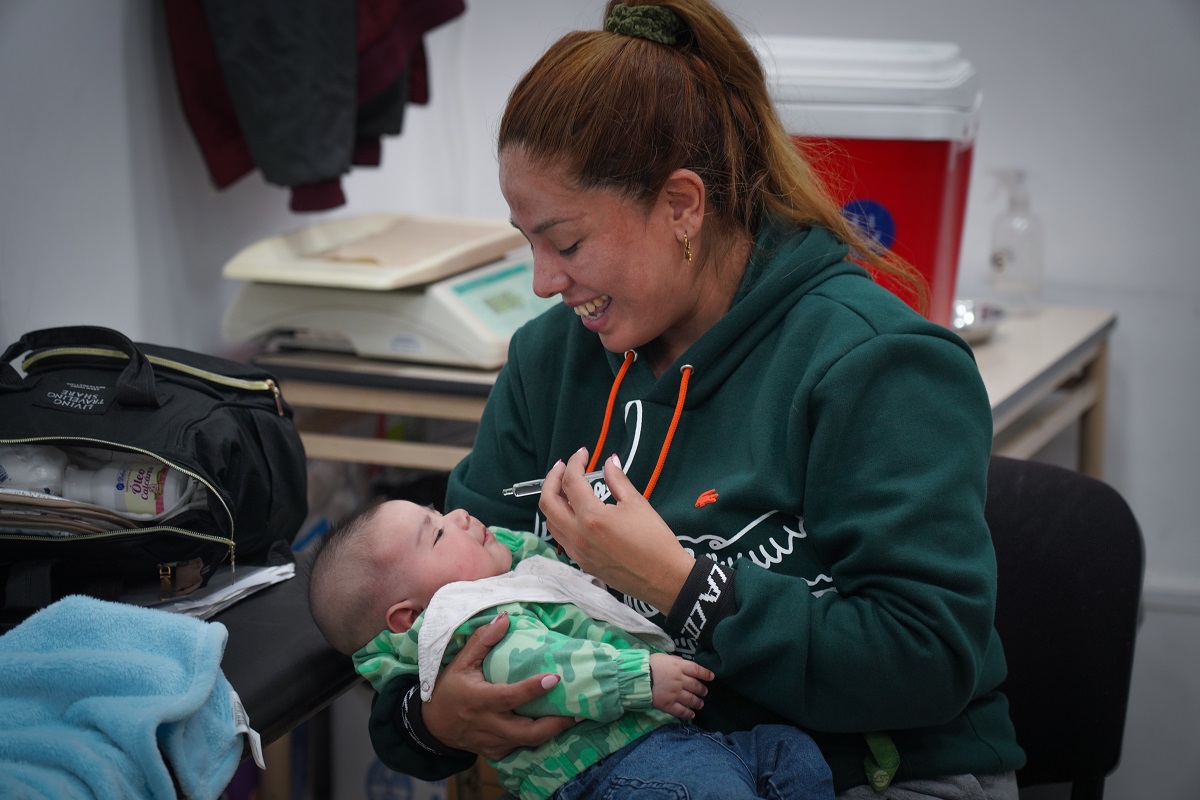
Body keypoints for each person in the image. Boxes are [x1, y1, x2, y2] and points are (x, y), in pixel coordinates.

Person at [366, 1, 1027, 797]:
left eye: (567, 243)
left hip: (869, 771)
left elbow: (928, 659)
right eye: (526, 240)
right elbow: (427, 613)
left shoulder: (875, 364)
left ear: (682, 206)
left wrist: (683, 586)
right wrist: (431, 720)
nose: (543, 280)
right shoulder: (550, 362)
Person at [309, 497, 836, 800]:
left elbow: (536, 556)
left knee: (792, 755)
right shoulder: (470, 629)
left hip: (678, 746)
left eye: (439, 512)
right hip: (609, 773)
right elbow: (548, 672)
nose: (462, 516)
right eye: (439, 535)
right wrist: (642, 679)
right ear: (409, 615)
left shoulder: (503, 575)